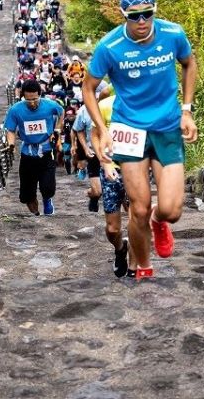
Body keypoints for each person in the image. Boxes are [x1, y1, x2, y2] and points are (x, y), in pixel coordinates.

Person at [82, 0, 198, 281]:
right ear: (123, 13)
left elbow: (189, 63)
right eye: (135, 16)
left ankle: (160, 224)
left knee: (171, 209)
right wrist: (102, 129)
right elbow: (88, 88)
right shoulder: (110, 46)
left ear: (155, 8)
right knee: (139, 207)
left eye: (148, 14)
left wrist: (187, 110)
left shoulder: (173, 34)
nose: (142, 21)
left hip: (167, 126)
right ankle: (143, 268)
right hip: (128, 129)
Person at [4, 80, 64, 216]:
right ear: (23, 97)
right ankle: (36, 215)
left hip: (46, 151)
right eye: (28, 100)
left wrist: (57, 130)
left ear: (40, 95)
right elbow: (10, 130)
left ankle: (47, 201)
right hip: (27, 154)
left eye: (35, 99)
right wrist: (11, 145)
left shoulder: (50, 105)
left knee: (48, 186)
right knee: (27, 195)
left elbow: (61, 112)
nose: (32, 103)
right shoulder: (15, 110)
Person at [90, 94, 132, 277]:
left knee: (137, 221)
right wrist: (104, 162)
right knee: (112, 228)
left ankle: (136, 266)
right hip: (111, 171)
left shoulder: (144, 102)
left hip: (136, 170)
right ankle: (120, 249)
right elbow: (95, 134)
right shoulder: (105, 105)